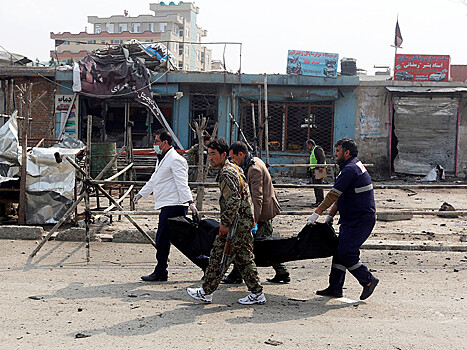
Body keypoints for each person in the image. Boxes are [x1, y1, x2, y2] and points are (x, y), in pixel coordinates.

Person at [187, 138, 266, 305]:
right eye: (209, 154)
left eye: (214, 154)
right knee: (244, 258)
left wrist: (225, 223)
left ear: (224, 154)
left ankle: (206, 292)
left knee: (218, 255)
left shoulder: (226, 172)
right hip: (243, 222)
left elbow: (234, 199)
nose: (211, 158)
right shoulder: (233, 168)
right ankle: (257, 293)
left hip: (236, 223)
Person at [306, 138, 379, 300]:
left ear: (347, 153)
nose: (335, 153)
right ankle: (335, 287)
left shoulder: (350, 169)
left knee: (347, 253)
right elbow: (342, 196)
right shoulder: (351, 166)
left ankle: (368, 280)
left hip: (360, 220)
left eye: (338, 151)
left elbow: (334, 194)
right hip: (352, 218)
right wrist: (330, 216)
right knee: (339, 251)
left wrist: (317, 212)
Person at [134, 129, 198, 282]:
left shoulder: (176, 160)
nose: (154, 144)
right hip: (167, 204)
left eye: (156, 141)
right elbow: (154, 179)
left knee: (166, 239)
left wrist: (190, 202)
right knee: (175, 240)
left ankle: (161, 271)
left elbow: (182, 183)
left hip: (174, 205)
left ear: (165, 142)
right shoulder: (162, 159)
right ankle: (163, 269)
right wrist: (141, 194)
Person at [225, 141, 290, 284]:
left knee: (251, 245)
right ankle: (282, 273)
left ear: (241, 154)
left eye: (233, 158)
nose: (232, 161)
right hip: (262, 212)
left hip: (263, 214)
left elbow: (257, 197)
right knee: (263, 246)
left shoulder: (253, 169)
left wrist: (253, 220)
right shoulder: (252, 161)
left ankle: (237, 275)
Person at [306, 139, 326, 207]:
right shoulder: (313, 150)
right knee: (316, 186)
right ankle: (318, 201)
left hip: (319, 169)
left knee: (319, 186)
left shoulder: (317, 149)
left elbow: (321, 158)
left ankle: (320, 201)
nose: (307, 147)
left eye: (307, 145)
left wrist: (320, 167)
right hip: (315, 169)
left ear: (310, 144)